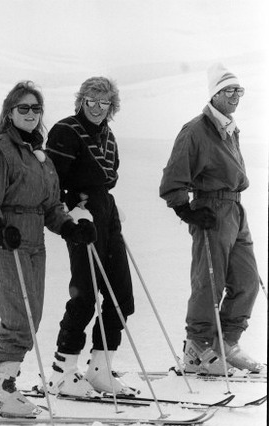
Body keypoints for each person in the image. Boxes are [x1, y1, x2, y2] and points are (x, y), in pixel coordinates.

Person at [0, 81, 97, 417]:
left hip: (33, 243)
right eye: (23, 108)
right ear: (10, 112)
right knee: (17, 319)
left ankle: (3, 385)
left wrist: (70, 227)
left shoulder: (39, 156)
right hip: (5, 240)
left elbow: (51, 206)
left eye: (36, 108)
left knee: (30, 318)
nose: (30, 114)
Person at [159, 63, 265, 375]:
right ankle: (198, 349)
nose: (235, 95)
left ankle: (225, 343)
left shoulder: (229, 128)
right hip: (212, 210)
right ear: (214, 94)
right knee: (209, 282)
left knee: (247, 280)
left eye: (239, 90)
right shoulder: (196, 131)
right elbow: (172, 181)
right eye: (229, 90)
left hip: (235, 210)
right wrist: (186, 209)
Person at [45, 76, 136, 396]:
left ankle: (100, 367)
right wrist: (73, 209)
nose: (97, 108)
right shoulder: (66, 131)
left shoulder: (108, 136)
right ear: (81, 101)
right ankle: (62, 369)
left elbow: (108, 178)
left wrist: (107, 206)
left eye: (104, 103)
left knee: (121, 294)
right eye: (91, 102)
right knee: (85, 292)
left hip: (105, 212)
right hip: (80, 214)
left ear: (113, 106)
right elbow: (51, 179)